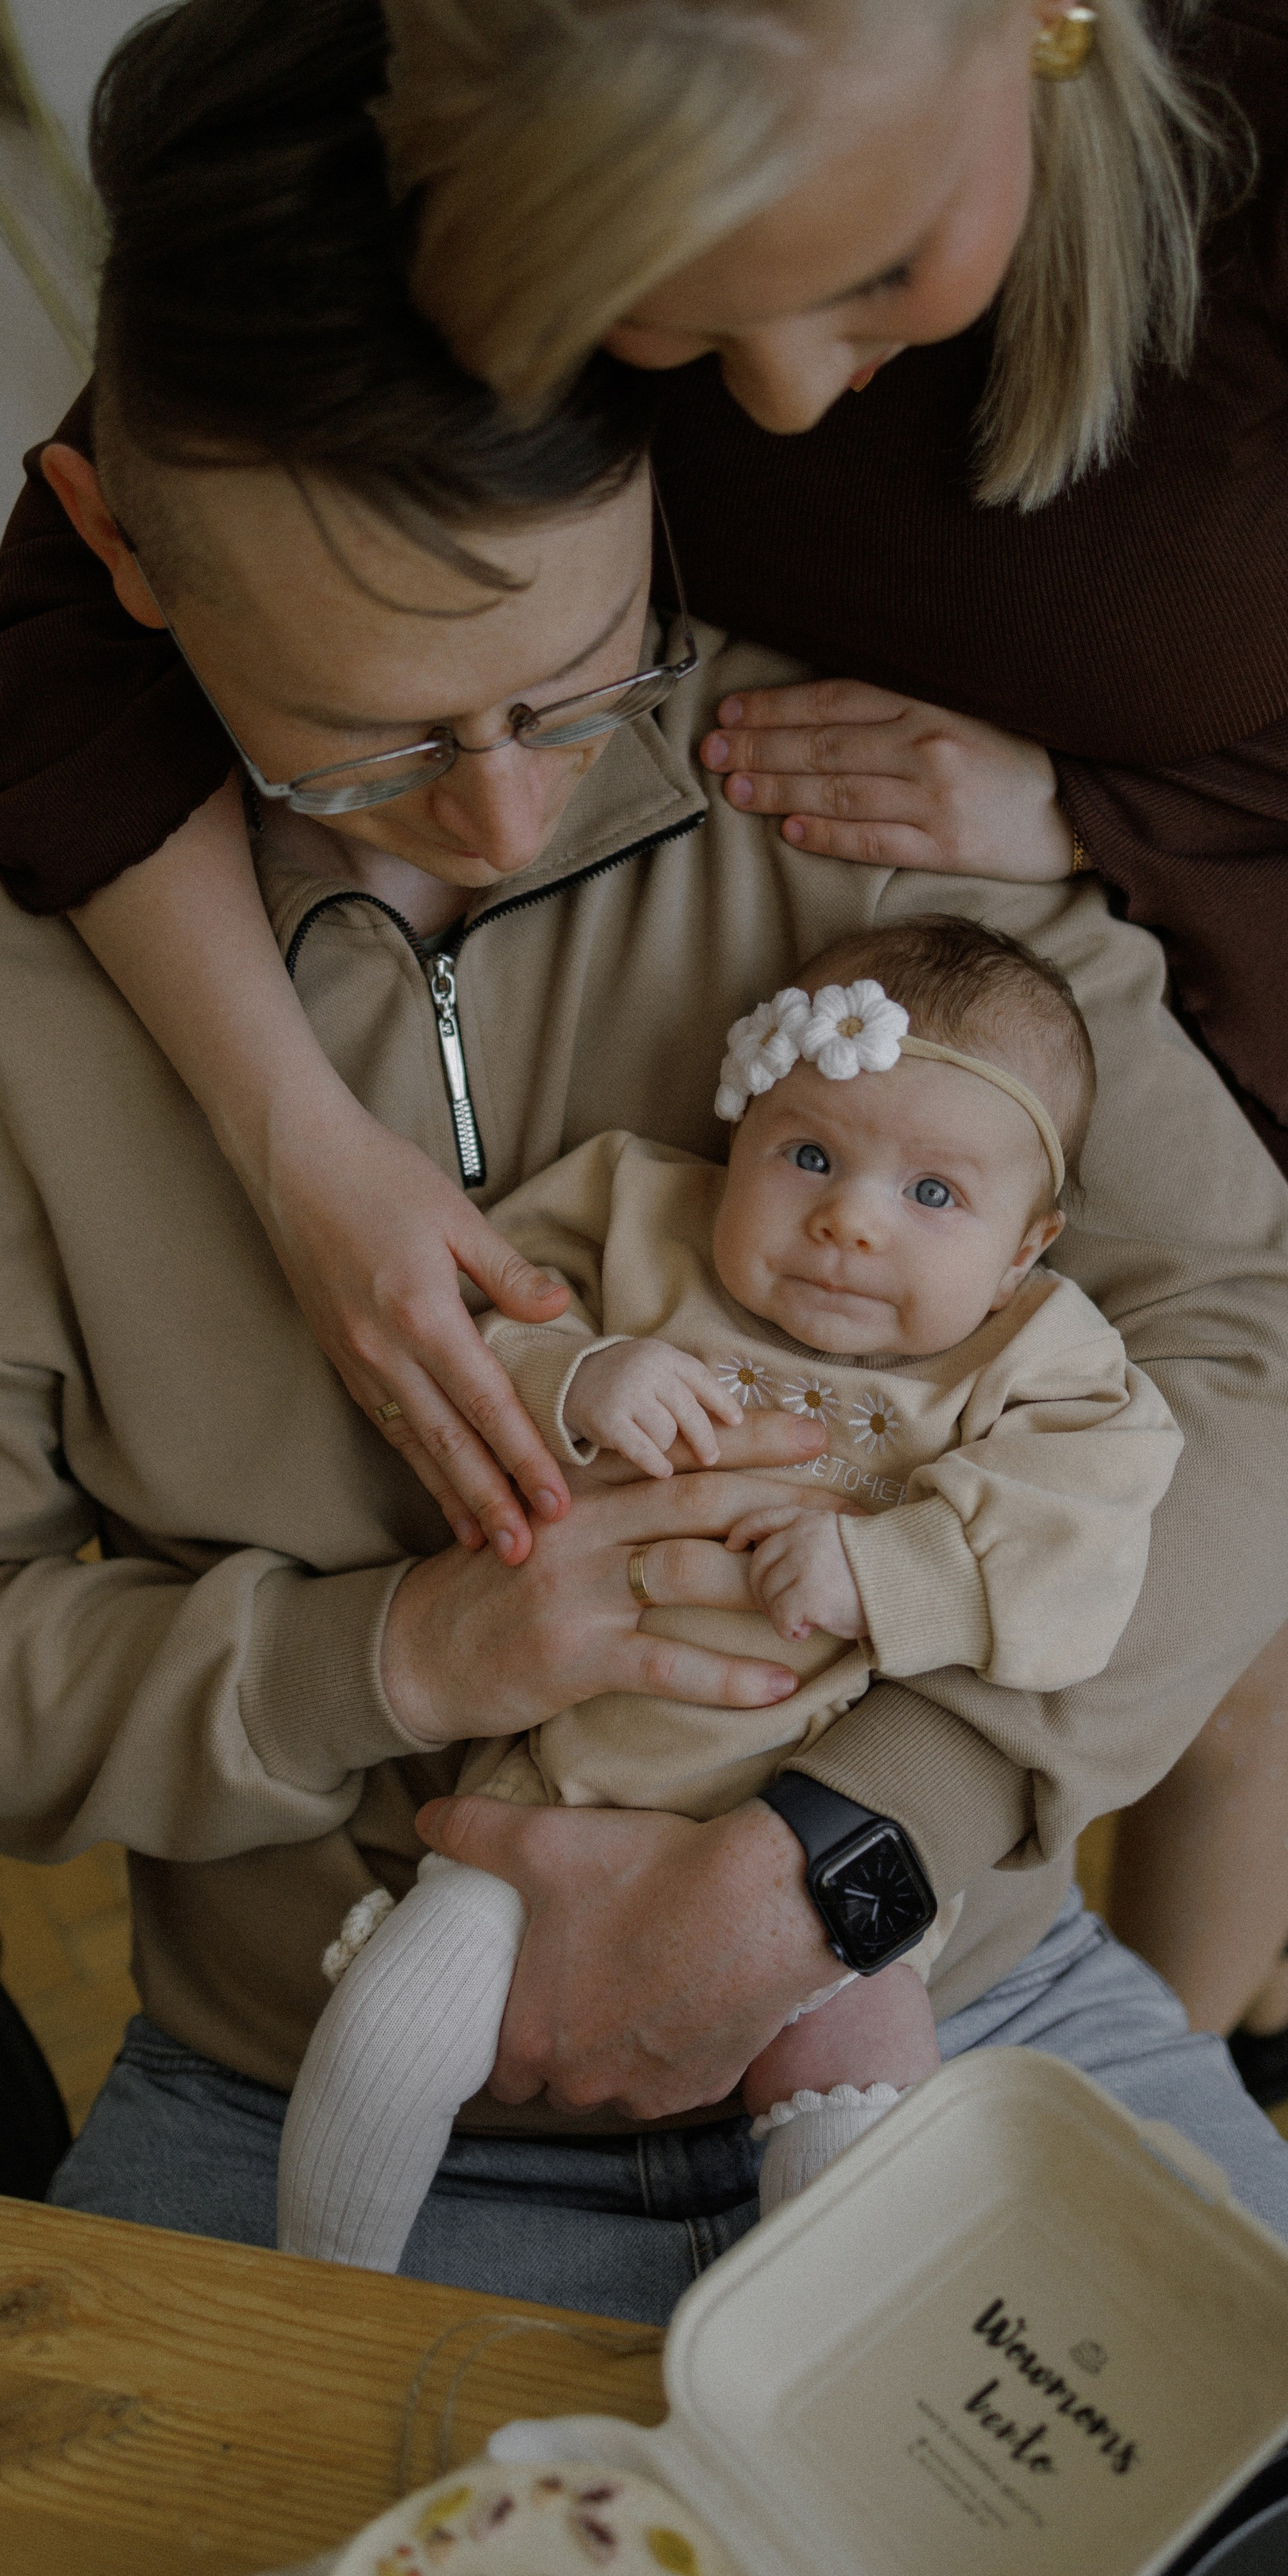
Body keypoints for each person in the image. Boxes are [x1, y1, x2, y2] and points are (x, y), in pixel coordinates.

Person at [0, 0, 1288, 2416]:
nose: (509, 810)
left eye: (570, 679)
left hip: (944, 2001)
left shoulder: (841, 786)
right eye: (369, 734)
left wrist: (840, 1852)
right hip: (290, 2086)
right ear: (115, 545)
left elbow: (1268, 1361)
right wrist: (396, 1664)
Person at [279, 918, 1182, 2269]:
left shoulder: (1036, 1356)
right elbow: (472, 1319)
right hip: (555, 1795)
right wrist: (576, 1378)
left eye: (934, 1195)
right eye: (808, 1154)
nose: (849, 1220)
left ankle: (803, 2373)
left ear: (1024, 1246)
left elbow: (1092, 1530)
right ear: (739, 1131)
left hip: (811, 1833)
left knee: (865, 2097)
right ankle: (318, 2287)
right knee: (395, 2018)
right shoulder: (638, 1216)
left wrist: (889, 1571)